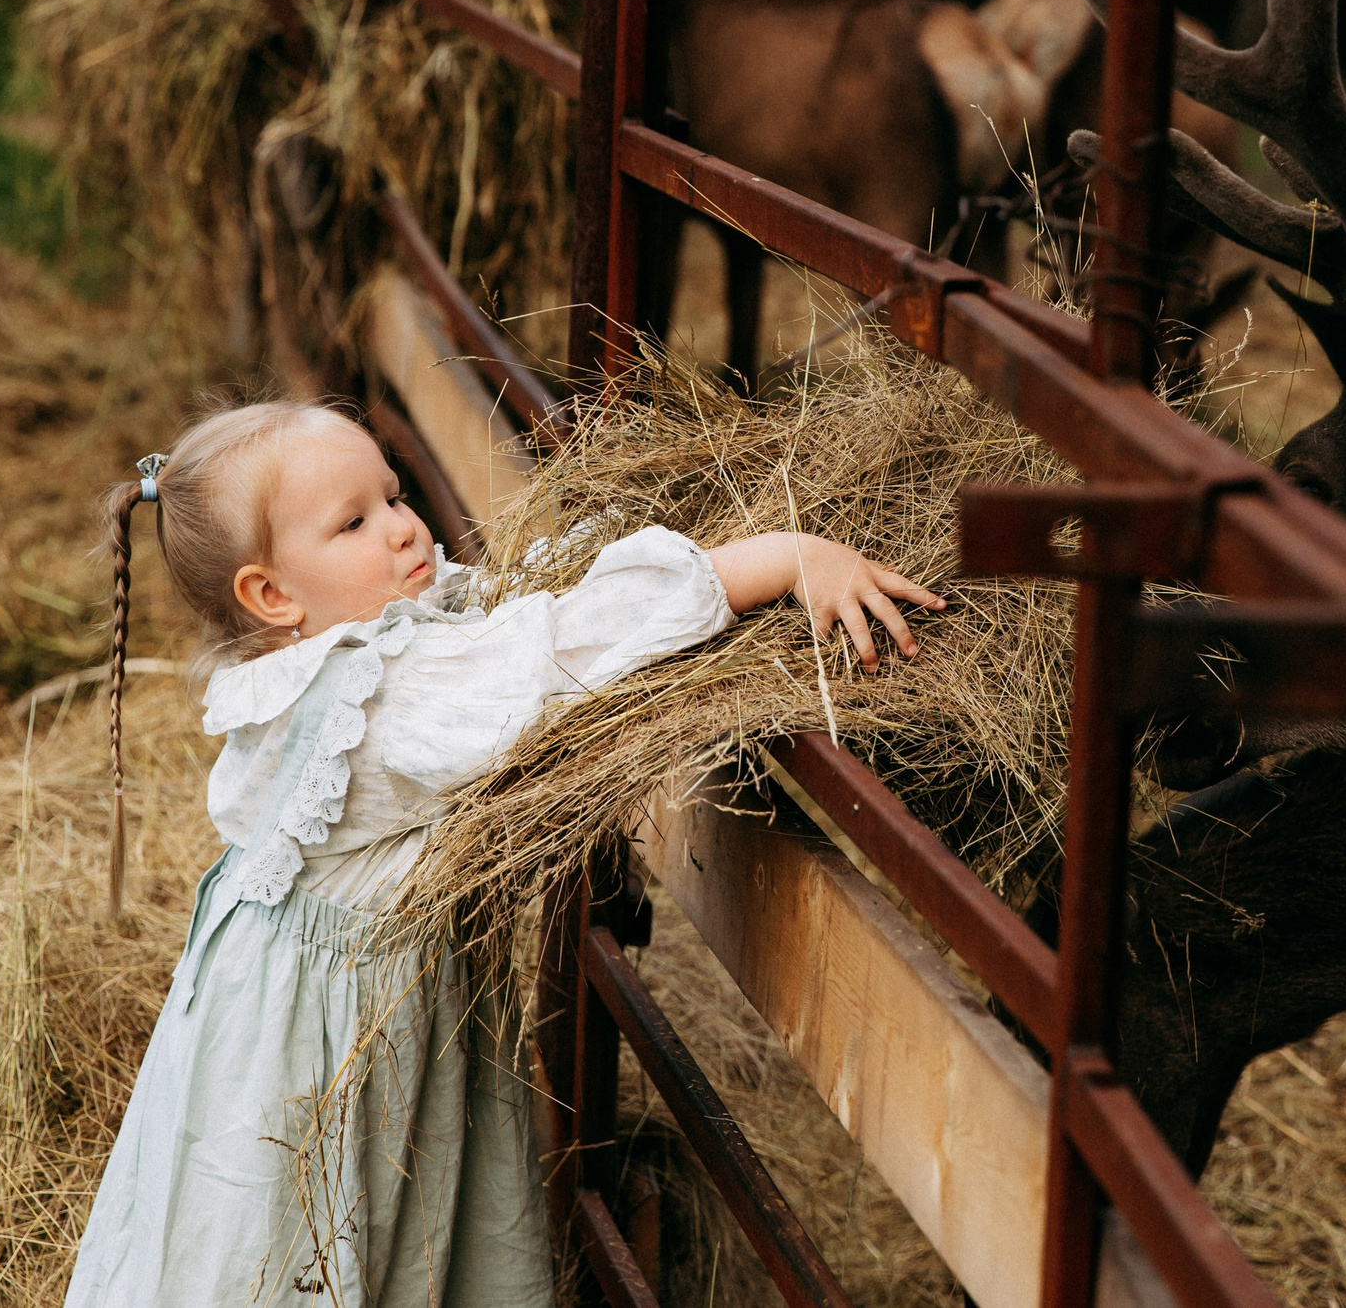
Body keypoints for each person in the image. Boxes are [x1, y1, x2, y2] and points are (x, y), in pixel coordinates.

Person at [64, 399, 941, 1308]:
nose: (406, 528)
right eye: (355, 521)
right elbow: (557, 651)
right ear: (272, 594)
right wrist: (784, 558)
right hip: (322, 1062)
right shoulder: (388, 700)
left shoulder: (334, 652)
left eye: (395, 494)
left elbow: (492, 617)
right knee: (302, 1248)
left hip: (272, 1010)